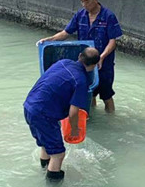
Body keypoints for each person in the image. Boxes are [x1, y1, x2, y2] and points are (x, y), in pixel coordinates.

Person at [38, 0, 123, 113]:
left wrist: (101, 57)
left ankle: (111, 117)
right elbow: (66, 33)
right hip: (87, 62)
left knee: (107, 95)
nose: (84, 5)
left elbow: (112, 42)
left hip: (104, 64)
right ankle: (92, 114)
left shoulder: (108, 16)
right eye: (82, 1)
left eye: (87, 1)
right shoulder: (80, 15)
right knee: (89, 92)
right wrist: (50, 40)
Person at [24, 47, 100, 180]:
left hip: (29, 106)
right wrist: (75, 129)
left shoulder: (63, 62)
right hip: (43, 115)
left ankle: (44, 171)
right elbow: (73, 112)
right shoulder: (81, 81)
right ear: (94, 65)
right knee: (58, 154)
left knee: (46, 146)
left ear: (79, 56)